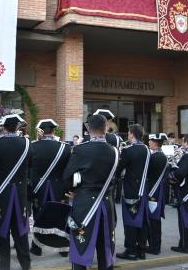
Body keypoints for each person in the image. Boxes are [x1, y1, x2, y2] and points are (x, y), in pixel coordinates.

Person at [64, 114, 118, 270]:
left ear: (88, 128)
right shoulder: (114, 151)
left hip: (85, 203)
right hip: (106, 204)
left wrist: (72, 191)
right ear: (105, 128)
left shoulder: (80, 150)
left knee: (81, 249)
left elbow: (67, 177)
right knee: (105, 248)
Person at [0, 114, 32, 270]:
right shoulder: (27, 143)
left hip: (2, 191)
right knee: (21, 229)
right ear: (17, 128)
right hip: (20, 193)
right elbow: (31, 164)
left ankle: (4, 264)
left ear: (4, 127)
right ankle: (26, 265)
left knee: (3, 229)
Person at [28, 119, 71, 257]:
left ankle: (36, 247)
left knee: (38, 216)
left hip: (38, 187)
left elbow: (29, 168)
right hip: (59, 187)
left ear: (40, 130)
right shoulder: (64, 147)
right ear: (54, 130)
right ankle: (63, 249)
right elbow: (68, 170)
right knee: (61, 216)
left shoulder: (33, 146)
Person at [116, 124, 150, 261]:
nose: (128, 136)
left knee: (130, 221)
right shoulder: (147, 149)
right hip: (143, 189)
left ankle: (130, 250)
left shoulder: (128, 150)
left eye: (129, 133)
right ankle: (141, 249)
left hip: (131, 189)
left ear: (131, 134)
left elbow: (119, 169)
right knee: (141, 221)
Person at [146, 133, 168, 255]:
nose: (149, 142)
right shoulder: (157, 155)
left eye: (150, 140)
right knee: (153, 220)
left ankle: (155, 247)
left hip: (154, 192)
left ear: (155, 142)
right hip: (155, 190)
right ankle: (154, 245)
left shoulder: (157, 157)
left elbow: (148, 173)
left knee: (154, 221)